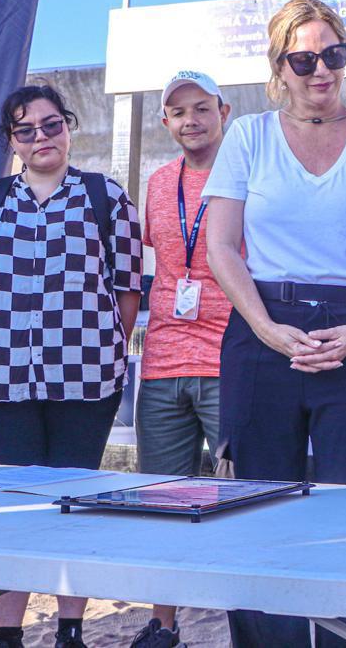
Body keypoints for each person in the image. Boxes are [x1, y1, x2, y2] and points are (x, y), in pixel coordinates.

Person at [203, 0, 346, 648]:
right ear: (279, 66)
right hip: (263, 331)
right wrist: (267, 329)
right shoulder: (248, 136)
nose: (321, 69)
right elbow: (221, 246)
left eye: (333, 54)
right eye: (303, 59)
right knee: (257, 510)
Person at [0, 85, 143, 648]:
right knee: (11, 512)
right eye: (26, 130)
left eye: (51, 124)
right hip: (1, 379)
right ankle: (7, 634)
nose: (41, 138)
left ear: (68, 127)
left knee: (73, 507)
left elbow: (127, 287)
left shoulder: (106, 196)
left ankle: (69, 630)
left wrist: (107, 347)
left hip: (85, 381)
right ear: (11, 141)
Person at [127, 71, 233, 648]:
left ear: (223, 111)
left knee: (240, 499)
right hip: (163, 361)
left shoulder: (248, 174)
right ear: (166, 121)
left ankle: (248, 621)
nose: (190, 120)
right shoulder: (158, 182)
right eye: (178, 111)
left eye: (201, 108)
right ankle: (163, 625)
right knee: (163, 502)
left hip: (229, 359)